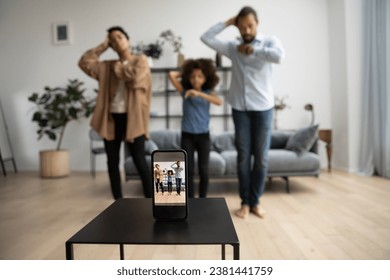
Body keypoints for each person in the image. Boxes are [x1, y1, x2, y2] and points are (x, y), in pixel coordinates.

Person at [201, 6, 285, 218]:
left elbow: (279, 57)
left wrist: (254, 51)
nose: (246, 30)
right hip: (240, 108)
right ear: (238, 26)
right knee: (242, 157)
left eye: (250, 25)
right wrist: (227, 23)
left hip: (263, 108)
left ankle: (255, 201)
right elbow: (206, 37)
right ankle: (244, 203)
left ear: (257, 24)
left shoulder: (269, 42)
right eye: (242, 26)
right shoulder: (232, 46)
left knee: (261, 158)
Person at [79, 26, 152, 199]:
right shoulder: (107, 66)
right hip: (111, 118)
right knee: (112, 162)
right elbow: (84, 62)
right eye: (112, 40)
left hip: (134, 119)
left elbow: (135, 79)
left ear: (128, 40)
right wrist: (102, 47)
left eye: (119, 37)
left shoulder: (141, 60)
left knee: (139, 161)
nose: (116, 41)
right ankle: (118, 202)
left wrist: (121, 68)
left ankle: (151, 201)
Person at [168, 59, 222, 198]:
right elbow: (172, 75)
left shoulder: (209, 93)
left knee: (204, 170)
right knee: (188, 170)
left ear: (206, 78)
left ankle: (202, 199)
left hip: (203, 136)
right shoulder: (184, 91)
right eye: (192, 76)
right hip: (187, 136)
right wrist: (186, 73)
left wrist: (198, 93)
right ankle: (191, 201)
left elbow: (219, 102)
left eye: (200, 76)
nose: (196, 79)